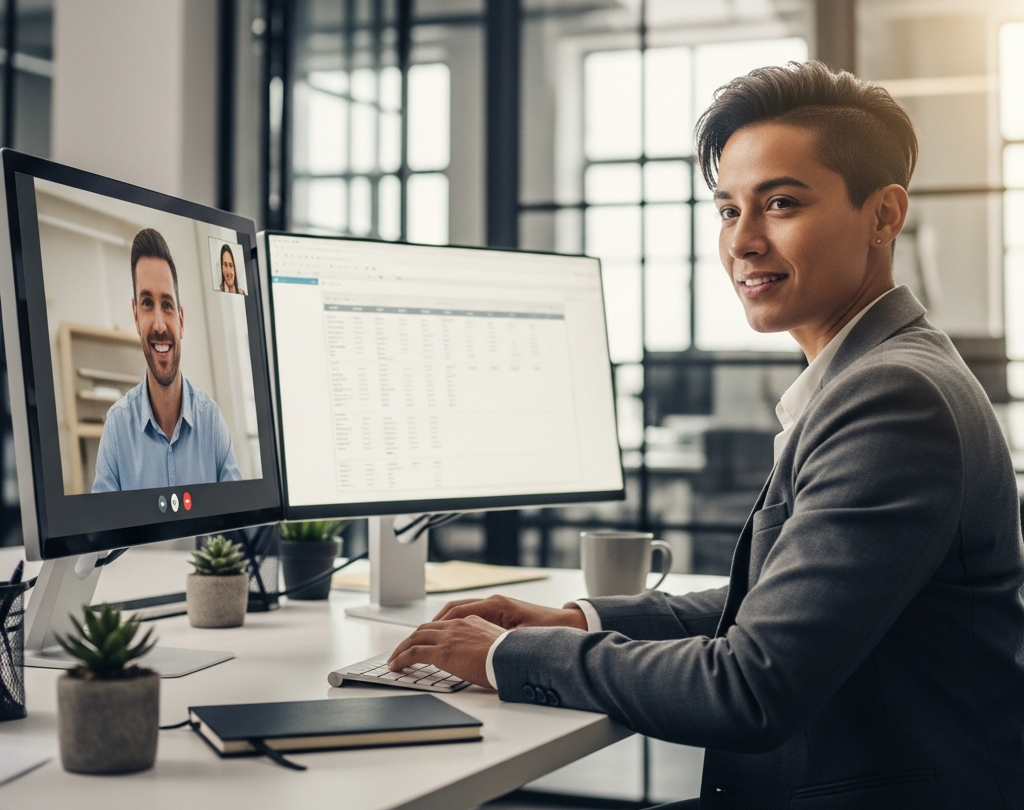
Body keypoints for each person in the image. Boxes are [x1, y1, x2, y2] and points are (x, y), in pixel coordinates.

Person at [387, 62, 1024, 809]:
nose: (743, 242)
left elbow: (750, 688)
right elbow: (778, 602)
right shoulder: (877, 374)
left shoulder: (892, 398)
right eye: (727, 210)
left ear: (883, 215)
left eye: (780, 204)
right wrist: (578, 618)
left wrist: (509, 656)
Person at [92, 228, 242, 492]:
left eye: (167, 305)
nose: (160, 324)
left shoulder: (211, 421)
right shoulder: (116, 430)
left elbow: (240, 515)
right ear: (136, 316)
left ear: (181, 320)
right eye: (147, 303)